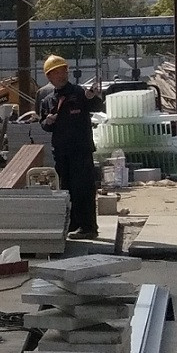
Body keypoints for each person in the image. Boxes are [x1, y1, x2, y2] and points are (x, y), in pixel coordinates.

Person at [37, 53, 104, 239]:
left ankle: (88, 227)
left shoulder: (80, 93)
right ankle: (73, 224)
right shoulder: (48, 100)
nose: (61, 75)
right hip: (61, 152)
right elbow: (44, 125)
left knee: (83, 188)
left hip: (81, 150)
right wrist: (48, 121)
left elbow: (98, 107)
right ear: (49, 77)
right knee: (66, 189)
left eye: (63, 71)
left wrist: (91, 97)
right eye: (56, 73)